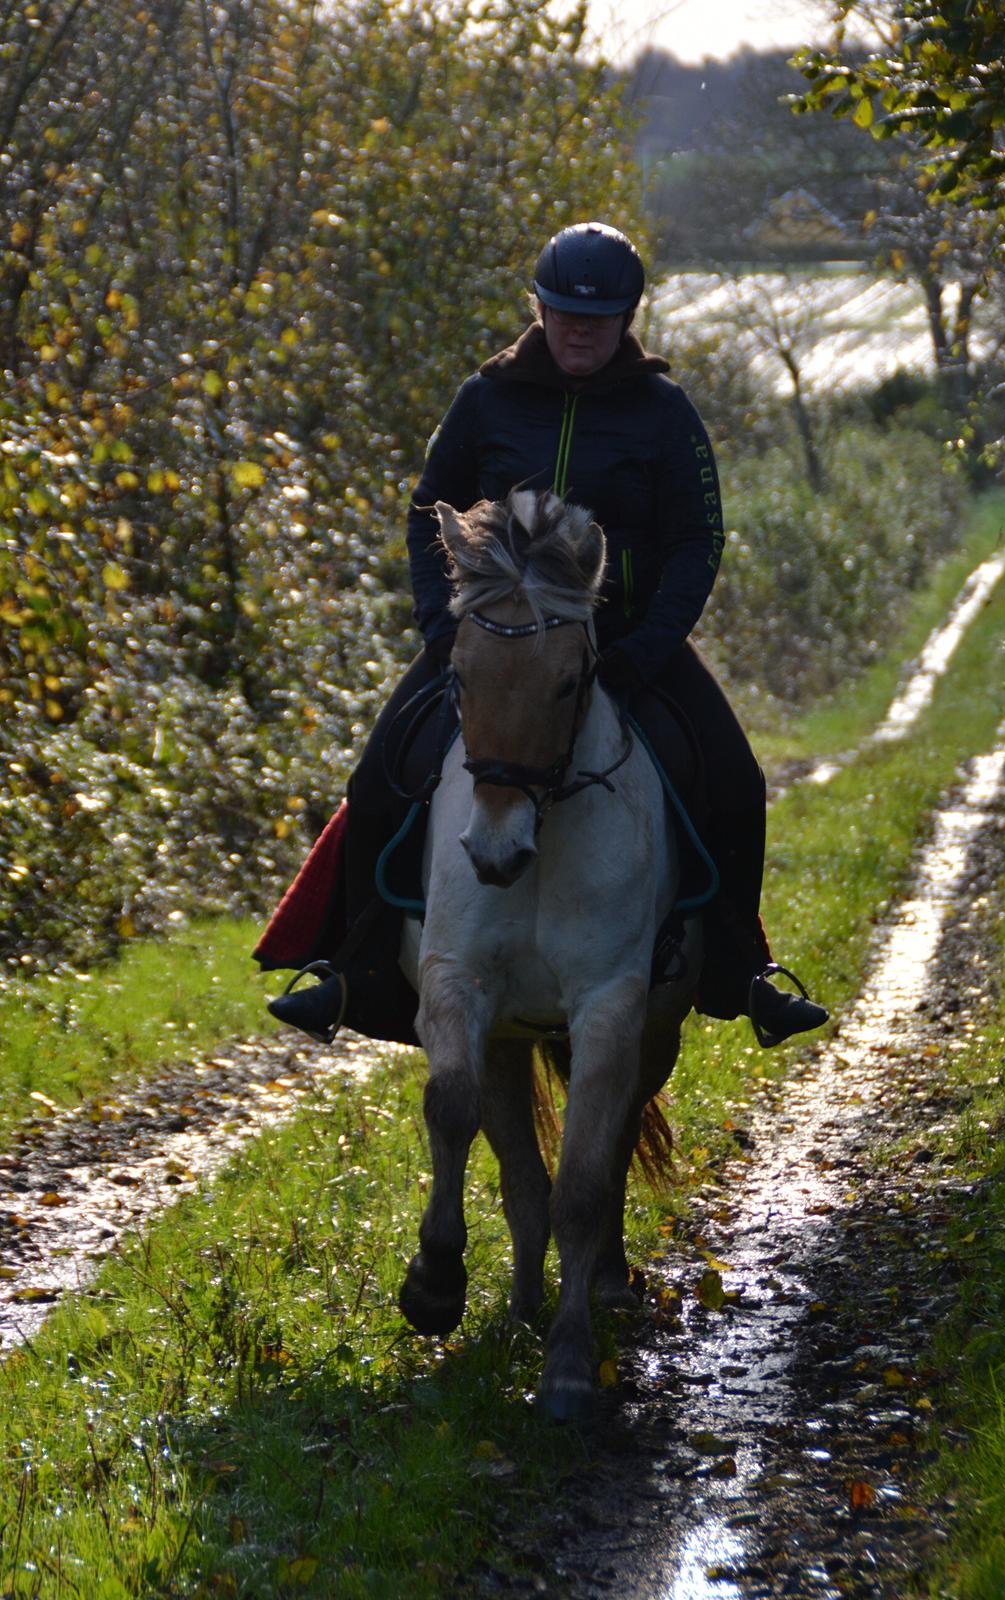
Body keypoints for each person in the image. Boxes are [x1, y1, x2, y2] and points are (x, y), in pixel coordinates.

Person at [264, 222, 827, 1048]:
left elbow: (696, 544)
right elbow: (429, 510)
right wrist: (439, 626)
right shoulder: (484, 397)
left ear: (630, 318)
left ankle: (740, 966)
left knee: (736, 777)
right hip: (495, 642)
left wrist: (645, 653)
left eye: (599, 320)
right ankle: (357, 966)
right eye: (564, 313)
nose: (580, 331)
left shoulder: (663, 411)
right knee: (379, 772)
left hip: (628, 641)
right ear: (538, 307)